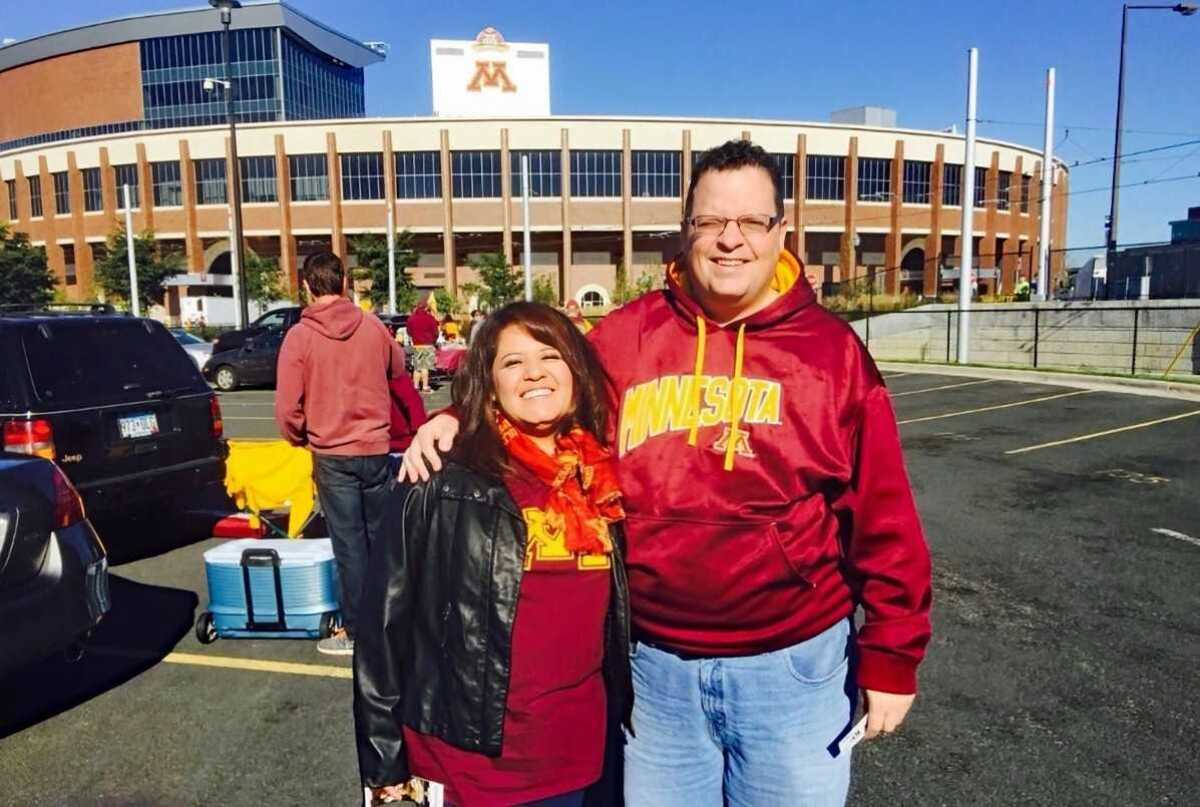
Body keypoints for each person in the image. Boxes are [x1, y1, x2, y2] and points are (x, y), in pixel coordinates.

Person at [403, 140, 933, 805]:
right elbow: (544, 390)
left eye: (750, 223)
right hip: (654, 673)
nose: (730, 241)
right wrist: (459, 416)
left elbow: (884, 518)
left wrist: (893, 654)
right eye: (712, 222)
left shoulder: (832, 355)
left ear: (780, 233)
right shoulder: (626, 338)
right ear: (687, 232)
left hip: (791, 667)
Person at [355, 301, 631, 807]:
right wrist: (383, 764)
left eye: (550, 356)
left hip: (579, 759)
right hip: (470, 768)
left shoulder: (602, 478)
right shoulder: (440, 478)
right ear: (490, 382)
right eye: (511, 362)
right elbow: (382, 628)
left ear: (575, 369)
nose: (534, 373)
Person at [275, 251, 409, 656]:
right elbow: (399, 368)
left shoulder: (300, 336)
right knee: (382, 540)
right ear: (344, 282)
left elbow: (286, 408)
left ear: (306, 286)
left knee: (349, 545)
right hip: (374, 447)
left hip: (332, 452)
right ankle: (392, 622)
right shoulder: (372, 326)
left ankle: (356, 630)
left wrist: (300, 435)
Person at [407, 295, 440, 394]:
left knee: (417, 367)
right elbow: (436, 332)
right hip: (428, 345)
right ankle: (425, 386)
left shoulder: (411, 319)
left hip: (417, 345)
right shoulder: (430, 318)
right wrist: (434, 340)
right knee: (425, 367)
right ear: (426, 308)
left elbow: (409, 332)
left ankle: (416, 386)